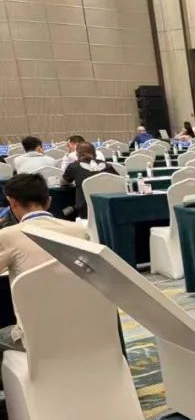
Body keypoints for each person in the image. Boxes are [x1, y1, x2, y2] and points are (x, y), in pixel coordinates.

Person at [0, 174, 89, 354]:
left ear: (12, 202)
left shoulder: (8, 236)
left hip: (35, 337)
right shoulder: (79, 230)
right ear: (48, 201)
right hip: (82, 326)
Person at [61, 142, 120, 219]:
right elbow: (119, 180)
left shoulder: (74, 166)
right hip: (109, 208)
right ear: (95, 154)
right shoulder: (107, 165)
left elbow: (63, 182)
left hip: (85, 211)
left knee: (63, 212)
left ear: (77, 154)